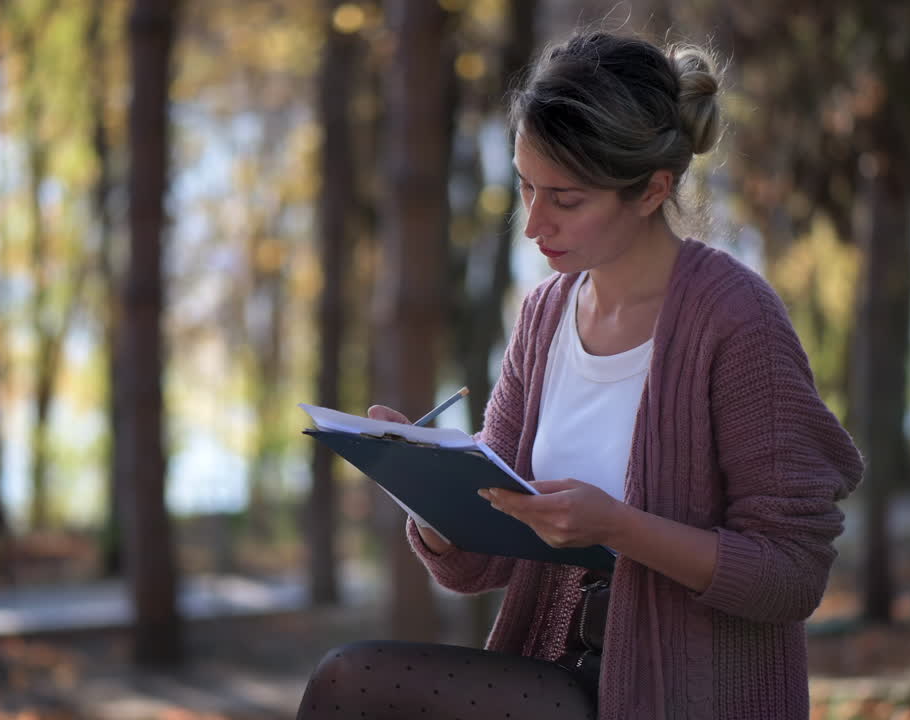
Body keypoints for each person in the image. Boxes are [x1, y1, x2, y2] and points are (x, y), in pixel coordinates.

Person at [295, 26, 863, 720]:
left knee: (353, 681)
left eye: (565, 200)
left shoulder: (736, 321)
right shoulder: (543, 316)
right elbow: (480, 565)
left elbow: (793, 575)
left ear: (652, 191)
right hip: (553, 675)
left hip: (681, 694)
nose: (534, 224)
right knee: (348, 682)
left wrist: (619, 527)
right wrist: (420, 482)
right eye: (527, 187)